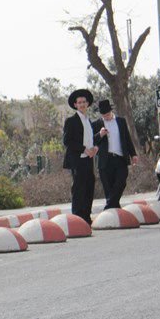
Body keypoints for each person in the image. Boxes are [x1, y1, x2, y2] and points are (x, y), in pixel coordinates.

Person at [92, 99, 139, 210]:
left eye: (107, 114)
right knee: (108, 188)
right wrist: (100, 134)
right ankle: (114, 209)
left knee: (121, 182)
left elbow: (127, 139)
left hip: (120, 158)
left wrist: (133, 154)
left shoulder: (121, 121)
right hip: (105, 160)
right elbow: (92, 141)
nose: (106, 117)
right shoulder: (96, 124)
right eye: (103, 115)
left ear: (111, 111)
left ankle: (109, 207)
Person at [62, 88, 99, 223]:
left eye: (84, 102)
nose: (82, 104)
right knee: (78, 189)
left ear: (87, 104)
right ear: (75, 105)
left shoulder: (89, 121)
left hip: (89, 160)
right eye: (79, 102)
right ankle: (78, 219)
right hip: (77, 160)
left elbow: (90, 139)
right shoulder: (71, 121)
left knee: (89, 186)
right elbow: (67, 141)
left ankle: (86, 217)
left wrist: (95, 147)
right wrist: (84, 149)